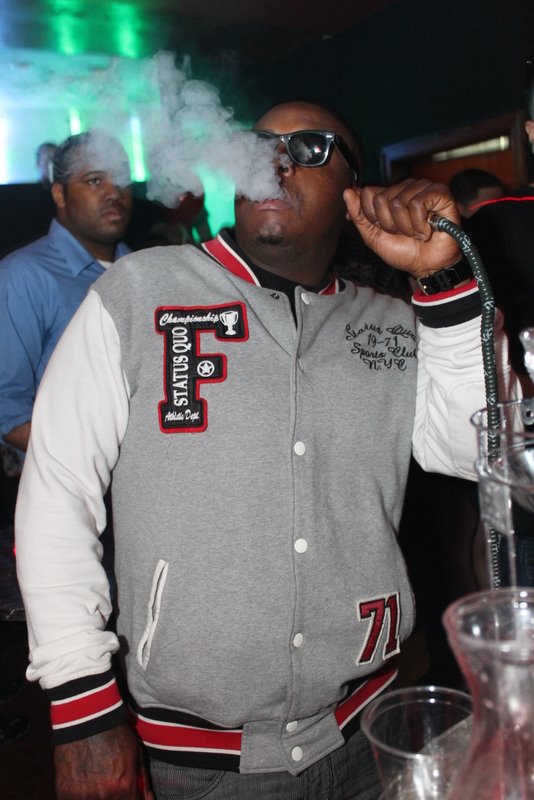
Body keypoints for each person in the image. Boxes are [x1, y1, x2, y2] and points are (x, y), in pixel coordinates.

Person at [15, 101, 515, 800]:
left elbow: (477, 451)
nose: (274, 163)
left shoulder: (394, 324)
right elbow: (57, 490)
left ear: (354, 191)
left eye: (309, 148)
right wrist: (81, 707)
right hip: (197, 762)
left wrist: (443, 285)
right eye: (258, 145)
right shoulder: (137, 292)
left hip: (369, 731)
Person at [0, 130, 133, 457]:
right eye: (94, 180)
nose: (114, 192)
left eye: (121, 179)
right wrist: (88, 462)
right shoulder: (24, 275)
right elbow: (8, 411)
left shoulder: (141, 270)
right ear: (59, 194)